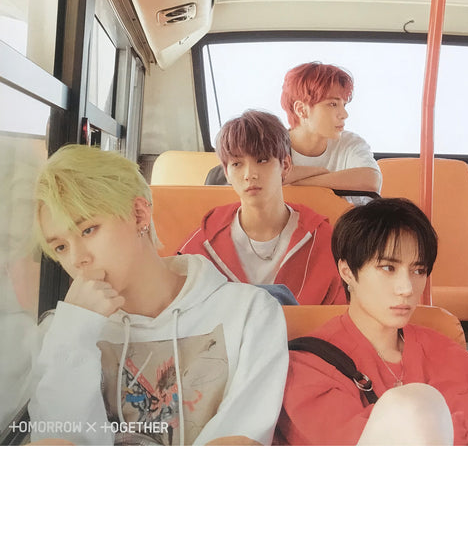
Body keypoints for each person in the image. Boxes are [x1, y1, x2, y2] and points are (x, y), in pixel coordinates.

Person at [275, 197, 468, 446]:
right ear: (347, 271)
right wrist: (439, 420)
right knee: (417, 405)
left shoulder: (442, 349)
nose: (406, 288)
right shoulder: (309, 365)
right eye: (388, 268)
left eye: (418, 270)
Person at [29, 144, 288, 446]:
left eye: (88, 230)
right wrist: (73, 336)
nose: (77, 260)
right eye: (61, 247)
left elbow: (238, 444)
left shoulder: (250, 313)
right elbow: (59, 450)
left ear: (139, 215)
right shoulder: (58, 332)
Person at [180, 110, 345, 305]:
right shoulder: (205, 240)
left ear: (285, 165)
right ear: (226, 173)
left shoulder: (322, 239)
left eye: (262, 160)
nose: (250, 174)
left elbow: (339, 311)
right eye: (237, 164)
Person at [280, 62, 382, 204]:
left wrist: (294, 183)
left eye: (344, 105)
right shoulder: (271, 147)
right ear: (301, 110)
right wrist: (321, 173)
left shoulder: (350, 142)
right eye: (333, 104)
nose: (344, 114)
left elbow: (371, 180)